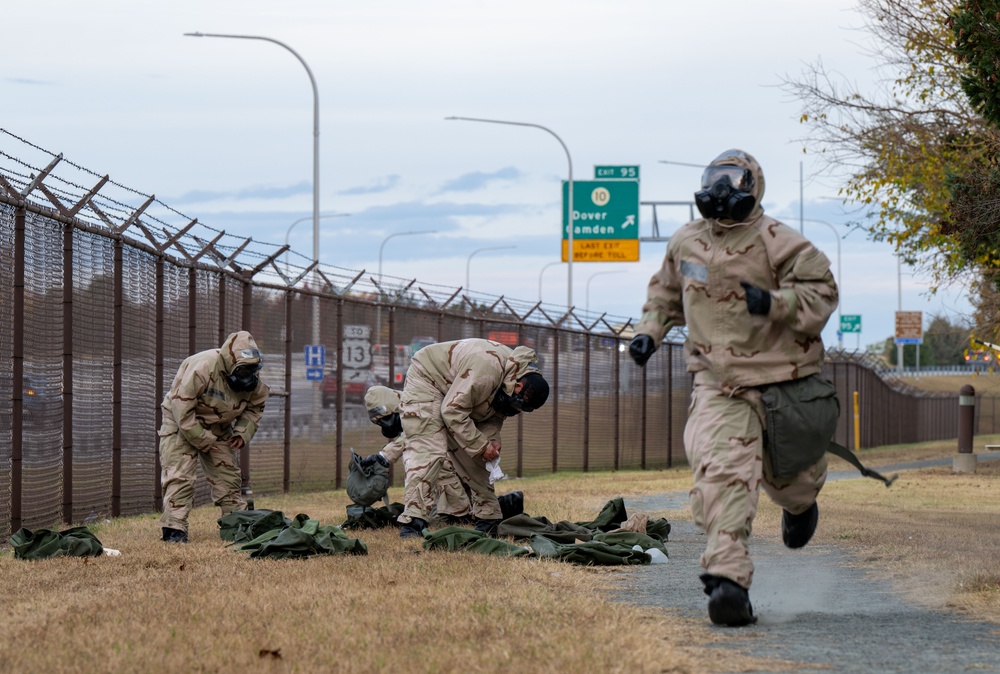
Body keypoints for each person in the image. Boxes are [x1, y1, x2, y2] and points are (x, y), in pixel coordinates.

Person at [628, 149, 839, 627]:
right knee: (723, 475)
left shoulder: (779, 241)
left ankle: (800, 505)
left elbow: (823, 295)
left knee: (793, 480)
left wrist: (777, 302)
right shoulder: (686, 242)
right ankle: (728, 583)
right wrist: (648, 332)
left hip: (785, 380)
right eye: (713, 178)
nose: (720, 189)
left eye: (732, 179)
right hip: (719, 384)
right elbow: (663, 294)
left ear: (752, 186)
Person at [395, 338, 548, 539]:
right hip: (428, 380)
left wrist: (490, 440)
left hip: (455, 395)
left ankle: (488, 518)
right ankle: (413, 522)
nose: (516, 408)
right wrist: (480, 444)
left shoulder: (511, 383)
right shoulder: (486, 371)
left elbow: (493, 416)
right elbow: (452, 411)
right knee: (430, 450)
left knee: (479, 454)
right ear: (518, 385)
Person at [158, 330, 269, 543]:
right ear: (230, 363)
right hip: (181, 422)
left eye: (251, 371)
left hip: (219, 426)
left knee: (228, 476)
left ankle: (236, 523)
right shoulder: (203, 368)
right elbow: (182, 408)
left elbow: (256, 406)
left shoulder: (252, 377)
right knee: (180, 475)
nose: (247, 377)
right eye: (243, 371)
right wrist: (204, 440)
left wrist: (242, 432)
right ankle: (174, 530)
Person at [362, 385, 525, 526]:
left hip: (455, 463)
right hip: (464, 463)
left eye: (386, 419)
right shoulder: (423, 401)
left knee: (437, 516)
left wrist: (383, 456)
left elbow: (417, 435)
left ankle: (463, 513)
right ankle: (489, 508)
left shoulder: (422, 407)